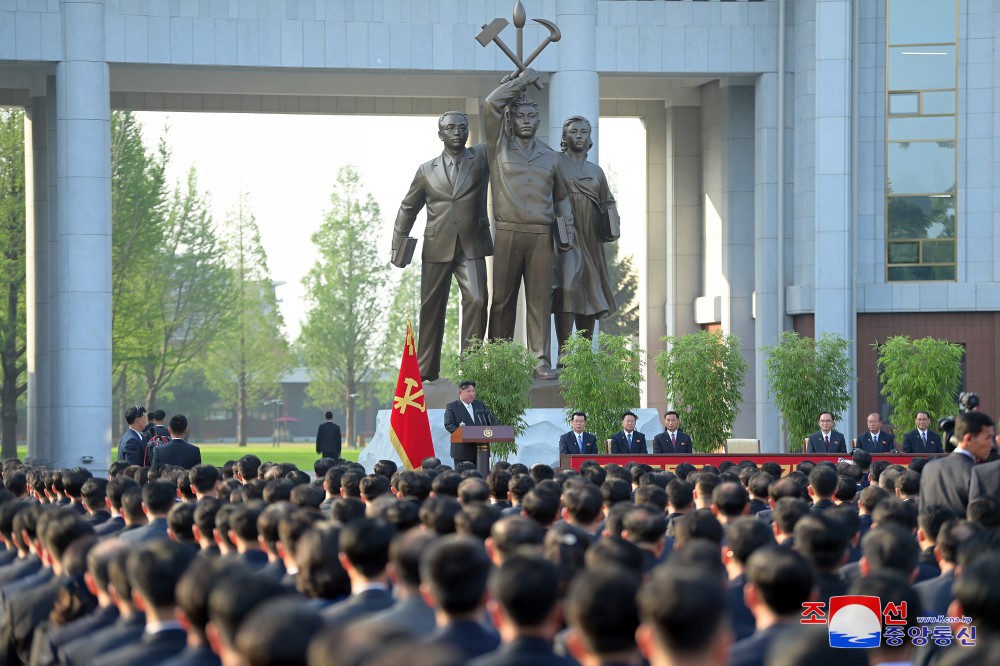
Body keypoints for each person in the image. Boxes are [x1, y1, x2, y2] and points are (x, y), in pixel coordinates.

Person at [483, 67, 573, 381]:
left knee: (539, 301)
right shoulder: (498, 149)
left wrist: (566, 235)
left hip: (541, 237)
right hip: (507, 233)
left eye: (530, 116)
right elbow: (490, 105)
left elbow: (562, 199)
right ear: (510, 120)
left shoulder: (552, 158)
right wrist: (520, 82)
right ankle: (499, 361)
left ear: (538, 120)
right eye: (519, 115)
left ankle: (540, 360)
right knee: (503, 300)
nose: (525, 120)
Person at [392, 111, 492, 383]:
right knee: (432, 307)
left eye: (462, 127)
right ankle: (426, 371)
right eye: (450, 128)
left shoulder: (481, 158)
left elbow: (497, 125)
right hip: (437, 244)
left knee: (478, 300)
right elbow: (408, 207)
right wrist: (397, 244)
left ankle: (469, 371)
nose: (457, 131)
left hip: (471, 245)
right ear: (440, 134)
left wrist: (512, 89)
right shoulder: (426, 170)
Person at [552, 115, 618, 361]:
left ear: (590, 139)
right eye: (573, 131)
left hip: (590, 235)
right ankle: (564, 352)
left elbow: (607, 201)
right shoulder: (555, 162)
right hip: (566, 234)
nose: (578, 135)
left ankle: (584, 353)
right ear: (564, 137)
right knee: (568, 287)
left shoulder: (596, 171)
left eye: (583, 132)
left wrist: (611, 220)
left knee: (590, 289)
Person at [918, 411, 996, 516]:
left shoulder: (929, 468)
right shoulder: (979, 473)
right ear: (968, 438)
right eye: (988, 438)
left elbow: (922, 513)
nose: (991, 444)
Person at [443, 381, 496, 465]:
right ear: (460, 393)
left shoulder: (480, 404)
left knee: (482, 476)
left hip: (481, 450)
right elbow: (448, 424)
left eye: (473, 391)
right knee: (464, 477)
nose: (472, 394)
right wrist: (463, 433)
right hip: (462, 451)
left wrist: (495, 429)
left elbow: (490, 419)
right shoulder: (452, 406)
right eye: (468, 391)